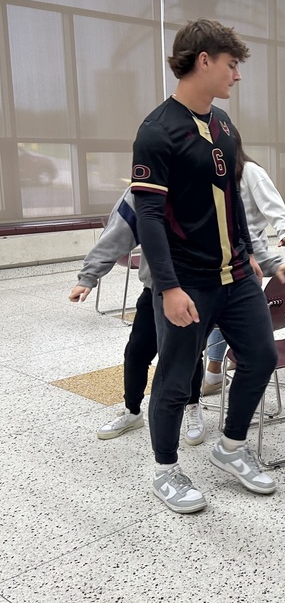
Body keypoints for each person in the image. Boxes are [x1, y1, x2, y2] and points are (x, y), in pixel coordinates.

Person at [131, 18, 278, 514]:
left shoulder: (225, 126)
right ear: (204, 60)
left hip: (236, 276)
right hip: (186, 283)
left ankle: (230, 447)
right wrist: (168, 289)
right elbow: (148, 217)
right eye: (232, 65)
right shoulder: (157, 131)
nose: (236, 75)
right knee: (175, 380)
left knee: (261, 357)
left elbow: (230, 201)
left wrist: (251, 252)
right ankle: (166, 471)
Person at [68, 189, 206, 445]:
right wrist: (89, 275)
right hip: (156, 289)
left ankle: (193, 407)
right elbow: (118, 231)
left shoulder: (208, 182)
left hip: (197, 288)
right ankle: (132, 411)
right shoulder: (142, 190)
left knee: (189, 354)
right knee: (137, 352)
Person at [204, 130, 285, 395]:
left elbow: (274, 206)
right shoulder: (211, 173)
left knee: (230, 316)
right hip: (216, 258)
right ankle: (217, 368)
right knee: (218, 317)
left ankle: (221, 370)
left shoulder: (250, 173)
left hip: (249, 260)